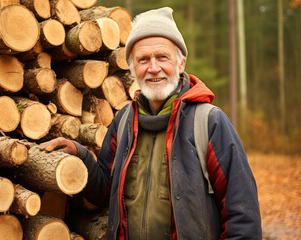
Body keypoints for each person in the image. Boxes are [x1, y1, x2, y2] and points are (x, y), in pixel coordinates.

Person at [40, 7, 262, 240]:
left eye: (162, 57)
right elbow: (106, 191)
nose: (153, 68)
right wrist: (81, 154)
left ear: (181, 64)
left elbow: (242, 214)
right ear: (133, 69)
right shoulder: (124, 120)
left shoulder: (210, 122)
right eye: (143, 59)